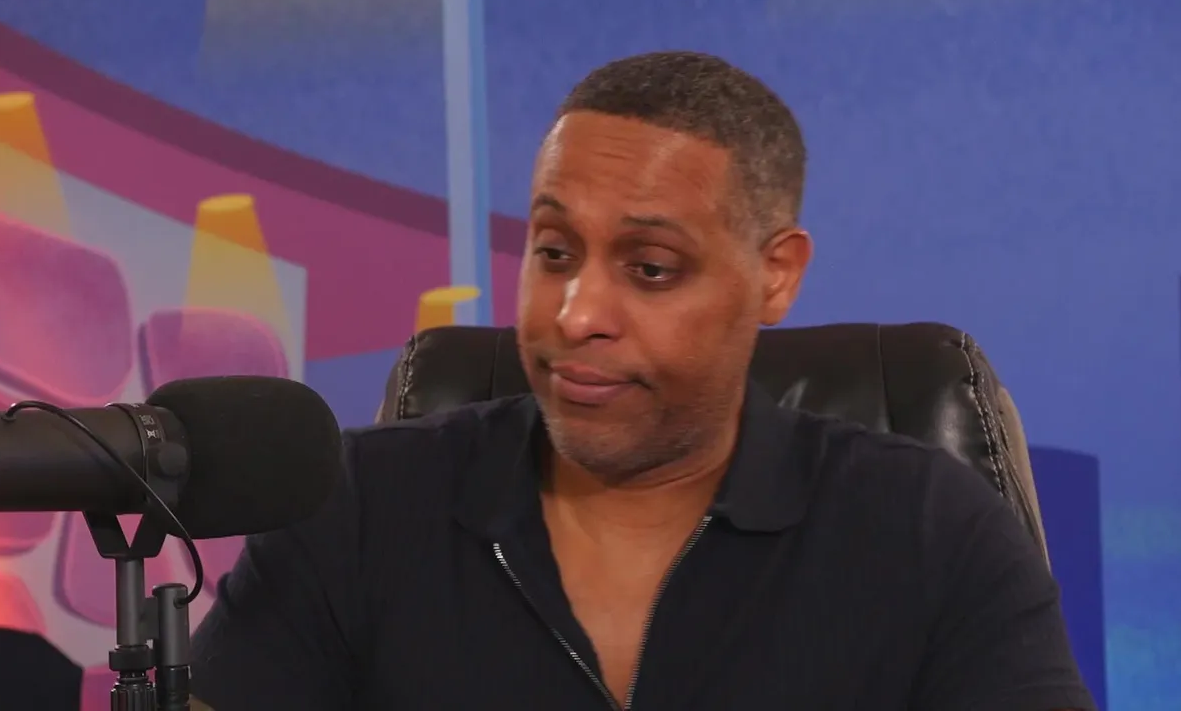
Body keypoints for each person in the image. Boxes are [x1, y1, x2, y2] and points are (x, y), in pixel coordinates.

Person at [190, 51, 1096, 710]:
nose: (575, 313)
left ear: (775, 274)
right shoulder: (353, 512)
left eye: (650, 268)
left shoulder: (928, 530)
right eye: (554, 252)